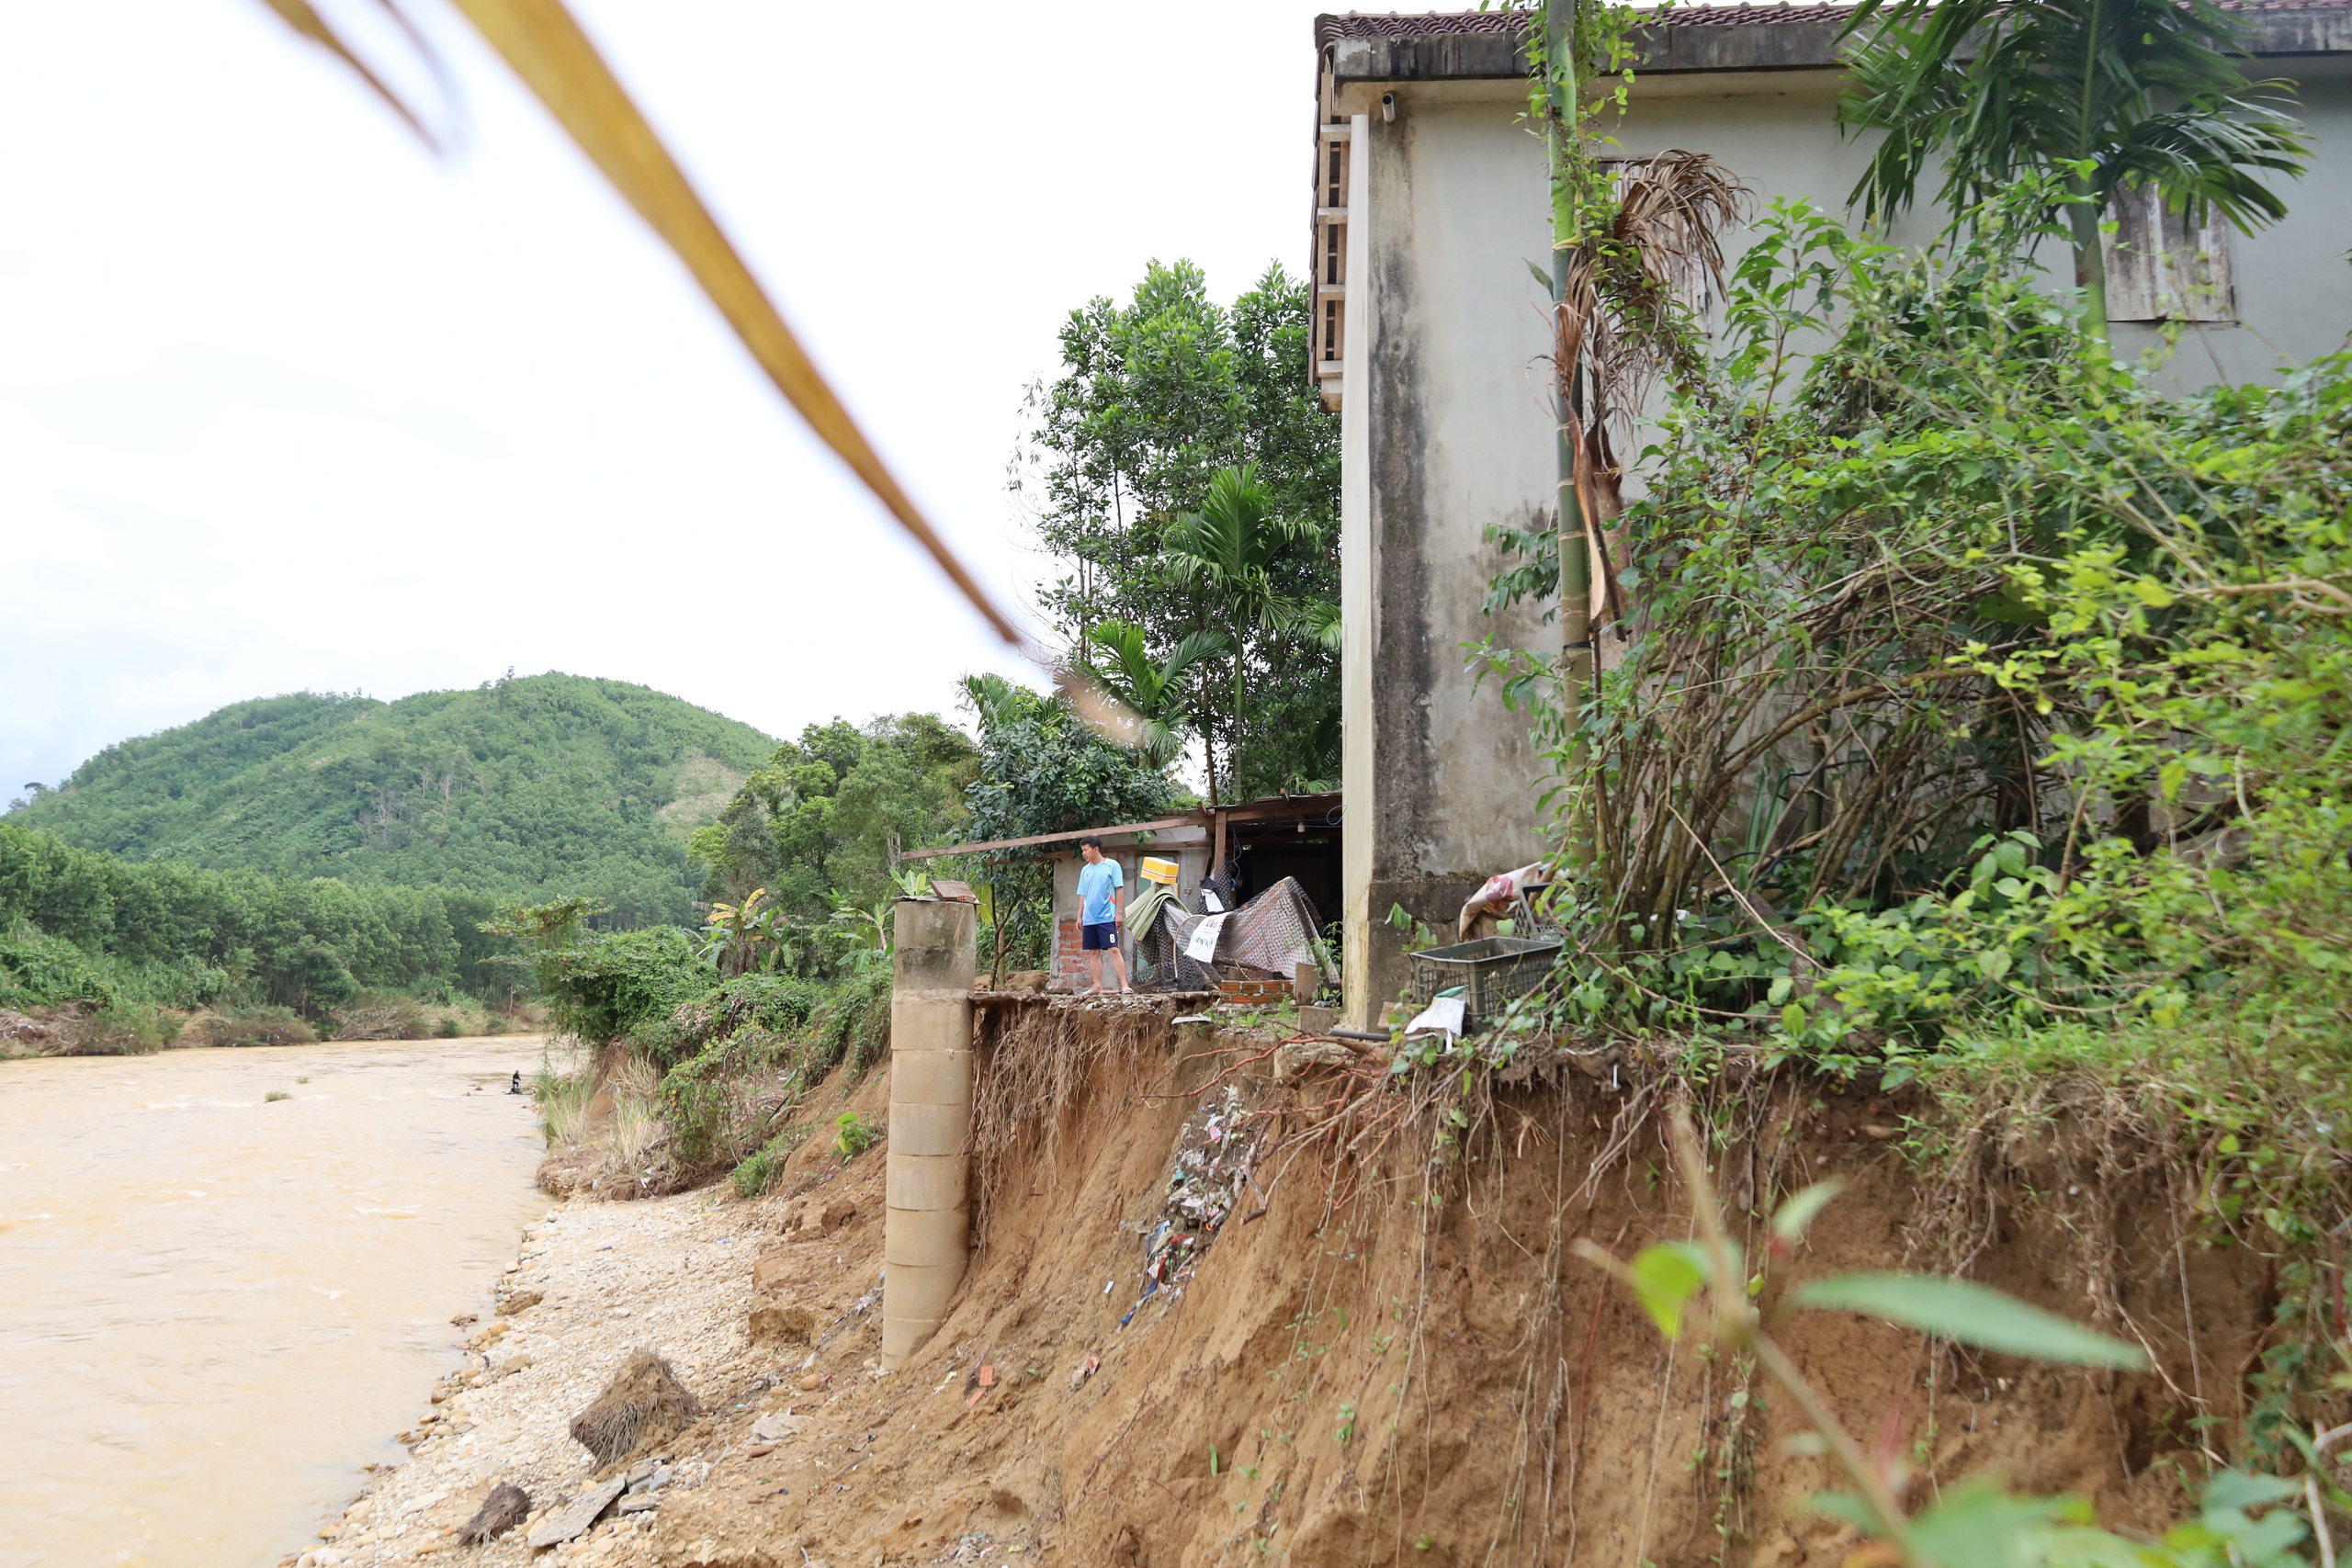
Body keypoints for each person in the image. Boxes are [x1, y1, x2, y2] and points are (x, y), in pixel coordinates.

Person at [1075, 836, 1128, 995]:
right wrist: (1079, 917)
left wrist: (1119, 913)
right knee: (1093, 951)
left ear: (1096, 849)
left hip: (1107, 916)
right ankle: (1097, 986)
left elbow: (1119, 889)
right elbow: (1083, 895)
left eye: (1086, 850)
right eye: (1082, 850)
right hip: (1089, 919)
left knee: (1113, 949)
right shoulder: (1085, 870)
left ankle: (1125, 985)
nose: (1083, 853)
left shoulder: (1112, 866)